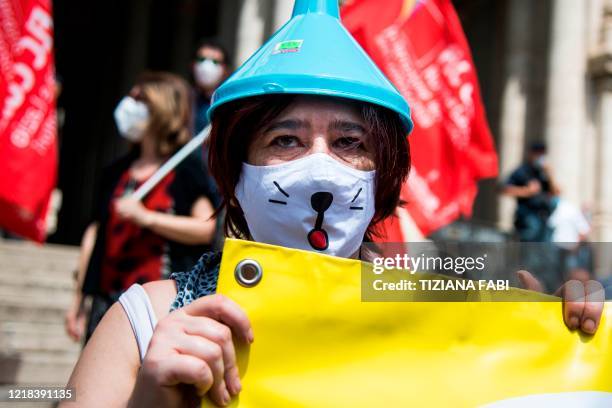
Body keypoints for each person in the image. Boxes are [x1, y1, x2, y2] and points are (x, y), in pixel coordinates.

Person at [62, 2, 605, 407]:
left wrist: (557, 341)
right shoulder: (144, 320)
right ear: (234, 173)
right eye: (285, 140)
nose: (320, 166)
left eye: (350, 143)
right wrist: (147, 402)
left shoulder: (439, 310)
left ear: (383, 176)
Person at [64, 72, 220, 343]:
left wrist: (146, 218)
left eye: (140, 100)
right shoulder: (116, 171)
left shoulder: (186, 170)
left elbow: (206, 228)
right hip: (107, 301)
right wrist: (79, 298)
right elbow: (96, 233)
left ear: (161, 109)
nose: (129, 106)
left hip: (156, 307)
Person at [503, 142, 560, 242]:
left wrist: (551, 176)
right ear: (531, 154)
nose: (540, 157)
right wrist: (527, 191)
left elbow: (556, 193)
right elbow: (504, 189)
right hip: (528, 216)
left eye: (542, 154)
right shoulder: (522, 171)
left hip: (545, 218)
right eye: (537, 153)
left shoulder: (544, 173)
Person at [192, 39, 231, 133]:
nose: (206, 66)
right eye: (201, 59)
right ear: (192, 65)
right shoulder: (183, 100)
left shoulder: (229, 105)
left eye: (215, 62)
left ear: (225, 69)